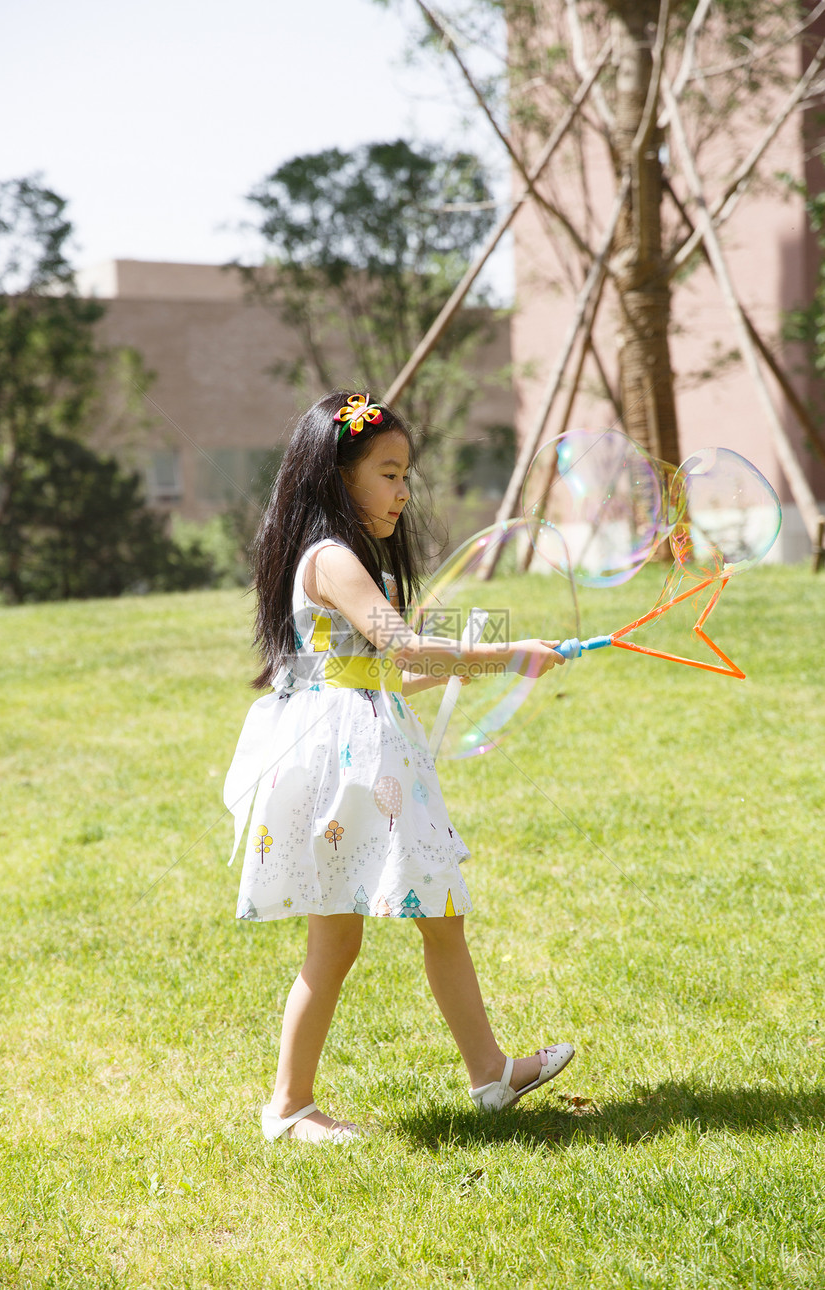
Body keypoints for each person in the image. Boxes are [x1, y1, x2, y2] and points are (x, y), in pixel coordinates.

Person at [224, 390, 574, 1142]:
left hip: (370, 750)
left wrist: (488, 668)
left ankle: (490, 1073)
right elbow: (403, 647)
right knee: (339, 940)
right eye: (388, 472)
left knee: (438, 913)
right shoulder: (331, 559)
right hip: (349, 770)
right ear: (338, 474)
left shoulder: (353, 563)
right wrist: (506, 653)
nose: (404, 490)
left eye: (406, 473)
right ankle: (288, 1107)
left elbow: (385, 670)